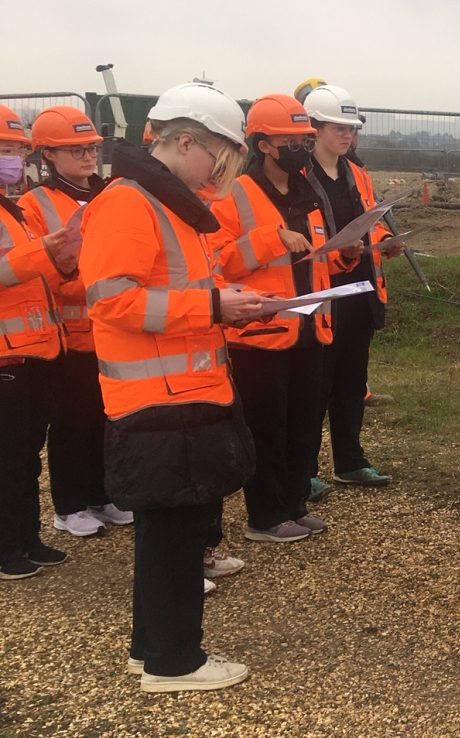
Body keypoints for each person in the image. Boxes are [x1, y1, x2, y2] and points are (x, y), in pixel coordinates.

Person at [79, 82, 268, 691]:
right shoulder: (130, 203)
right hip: (158, 401)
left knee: (173, 533)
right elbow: (113, 302)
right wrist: (213, 305)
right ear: (185, 141)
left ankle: (152, 649)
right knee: (172, 536)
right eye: (218, 157)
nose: (220, 174)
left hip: (184, 395)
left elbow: (180, 292)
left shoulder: (170, 205)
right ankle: (174, 661)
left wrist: (227, 304)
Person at [210, 93, 358, 543]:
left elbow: (315, 257)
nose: (299, 147)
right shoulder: (234, 194)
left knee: (304, 426)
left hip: (311, 328)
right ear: (264, 145)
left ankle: (294, 502)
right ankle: (265, 515)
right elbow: (220, 263)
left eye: (303, 138)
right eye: (290, 139)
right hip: (261, 333)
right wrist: (272, 239)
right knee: (267, 430)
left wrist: (344, 255)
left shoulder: (308, 192)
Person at [17, 106, 135, 538]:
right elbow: (34, 270)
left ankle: (103, 493)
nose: (88, 156)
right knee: (70, 422)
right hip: (69, 338)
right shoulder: (35, 204)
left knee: (107, 417)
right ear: (48, 155)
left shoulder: (111, 194)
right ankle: (68, 505)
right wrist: (69, 269)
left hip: (113, 329)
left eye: (91, 148)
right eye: (76, 150)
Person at [301, 83, 400, 496]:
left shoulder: (357, 173)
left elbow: (369, 218)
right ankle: (303, 468)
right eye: (338, 127)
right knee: (316, 383)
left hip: (359, 289)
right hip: (323, 292)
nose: (347, 135)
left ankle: (350, 460)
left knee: (352, 379)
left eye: (351, 128)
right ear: (315, 128)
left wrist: (383, 241)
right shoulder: (299, 176)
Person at [0, 104, 73, 580]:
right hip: (6, 354)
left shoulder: (13, 208)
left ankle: (26, 537)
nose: (12, 159)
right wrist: (44, 249)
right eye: (4, 149)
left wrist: (64, 257)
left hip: (36, 351)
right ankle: (6, 549)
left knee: (26, 455)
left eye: (15, 150)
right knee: (6, 457)